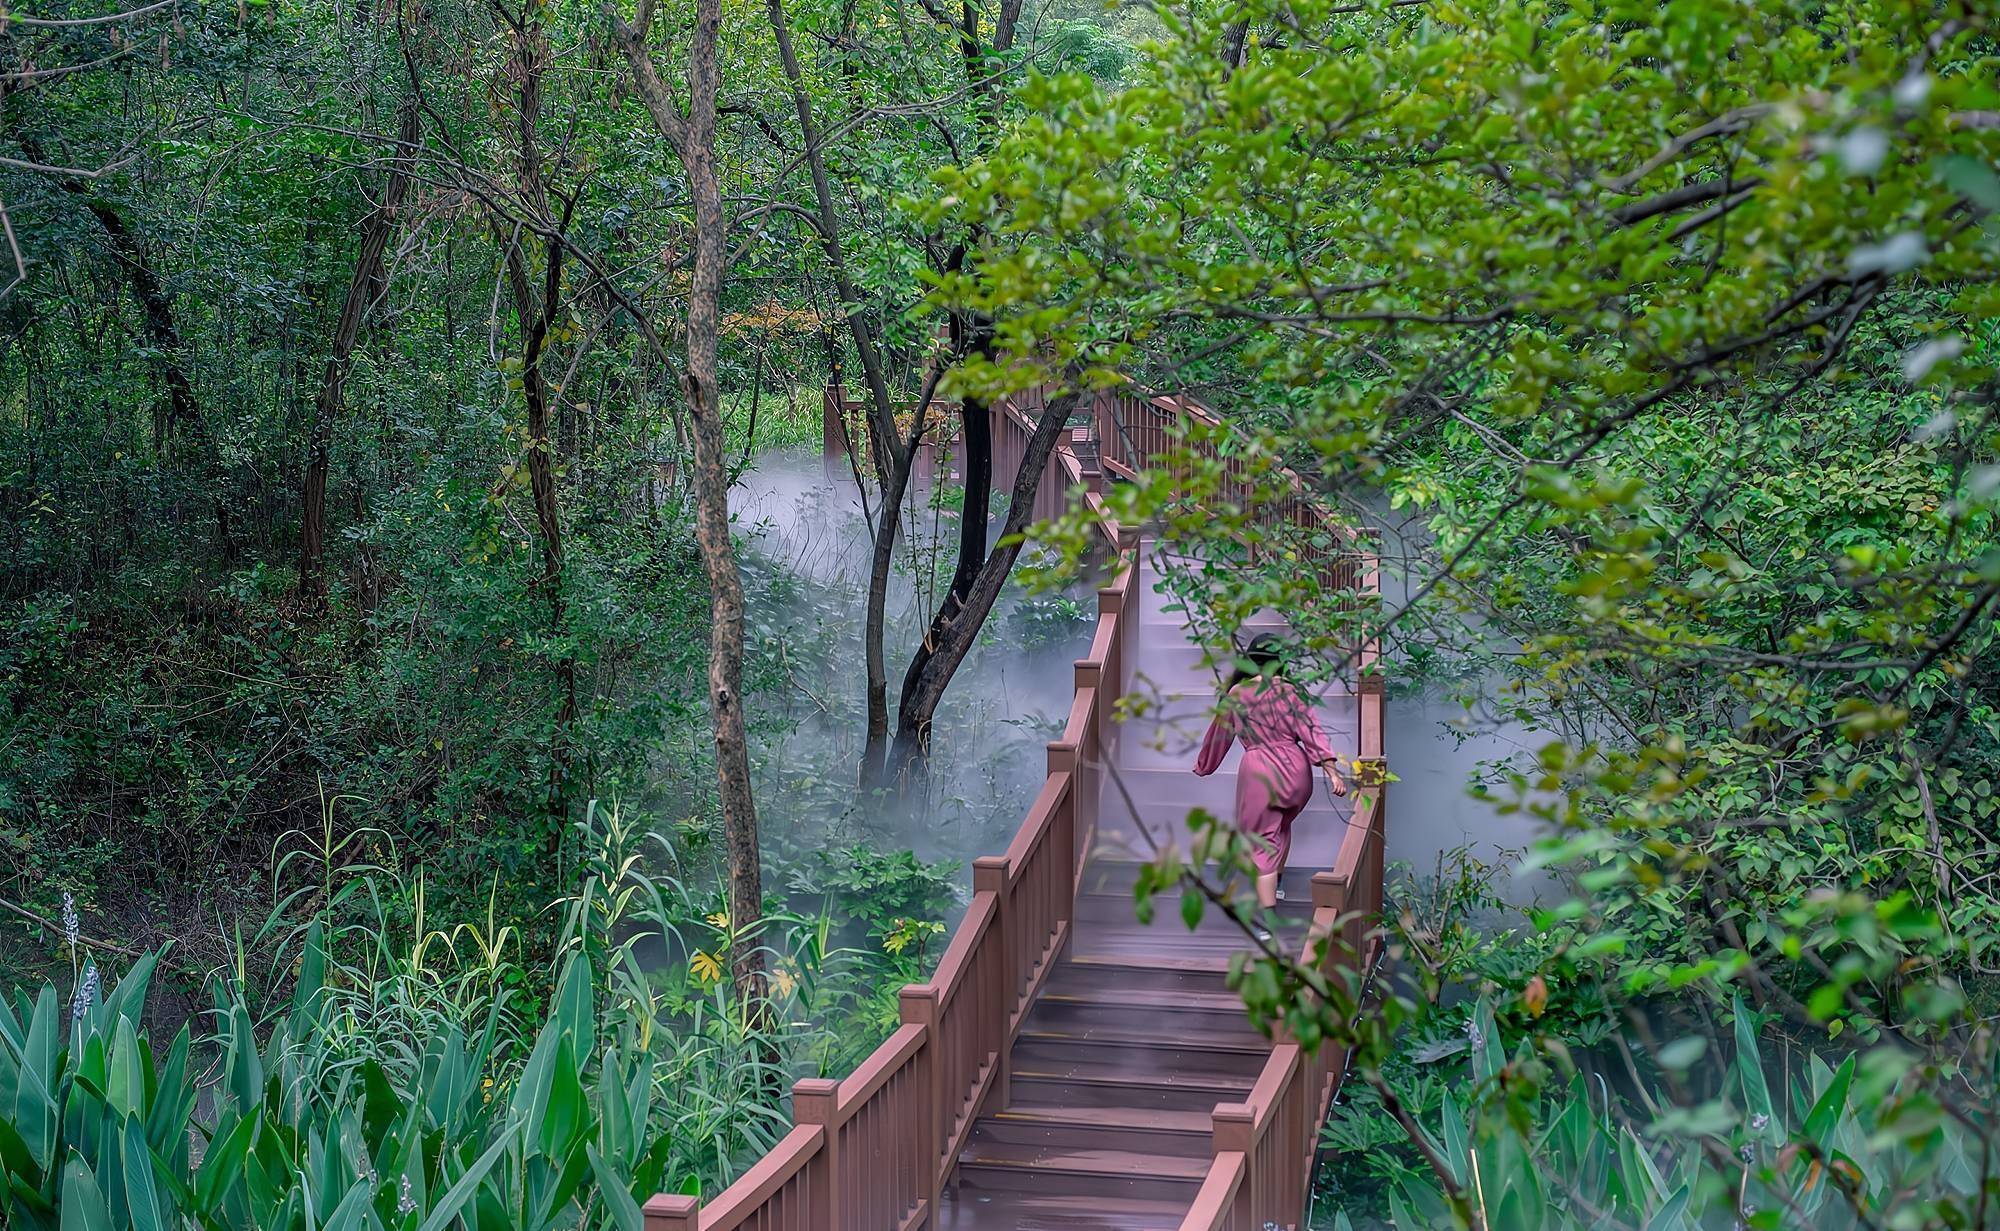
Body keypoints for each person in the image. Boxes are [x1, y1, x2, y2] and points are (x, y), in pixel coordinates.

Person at [1194, 632, 1347, 930]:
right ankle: (1276, 881)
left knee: (1262, 842)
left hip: (1259, 771)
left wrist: (1204, 765)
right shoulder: (1291, 691)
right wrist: (1332, 771)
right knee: (1281, 826)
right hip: (1296, 770)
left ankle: (1267, 921)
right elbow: (1312, 731)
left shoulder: (1237, 694)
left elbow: (1219, 735)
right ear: (1280, 662)